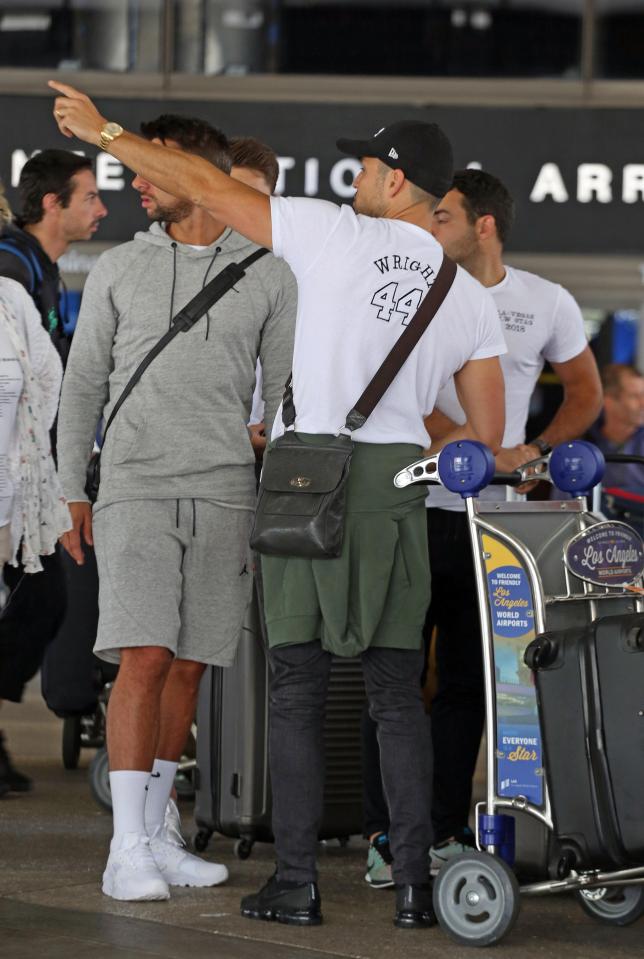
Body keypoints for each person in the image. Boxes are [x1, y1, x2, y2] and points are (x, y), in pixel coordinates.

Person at [50, 83, 506, 928]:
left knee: (296, 687)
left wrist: (106, 132)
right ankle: (412, 885)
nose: (355, 180)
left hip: (305, 475)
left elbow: (213, 188)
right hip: (398, 490)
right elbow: (485, 435)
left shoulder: (333, 235)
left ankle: (296, 881)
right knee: (396, 693)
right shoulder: (464, 293)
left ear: (398, 181)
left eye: (366, 167)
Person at [55, 111, 297, 903]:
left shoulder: (269, 272)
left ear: (196, 173)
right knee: (145, 655)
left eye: (150, 168)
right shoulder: (120, 267)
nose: (137, 183)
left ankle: (156, 831)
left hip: (228, 487)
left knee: (190, 665)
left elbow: (286, 390)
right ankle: (126, 846)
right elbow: (82, 383)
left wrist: (279, 440)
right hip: (135, 486)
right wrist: (72, 489)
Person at [360, 168, 603, 887]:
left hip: (495, 525)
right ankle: (384, 834)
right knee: (395, 675)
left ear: (483, 225)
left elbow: (586, 392)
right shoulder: (411, 286)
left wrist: (528, 453)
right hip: (408, 509)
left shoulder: (543, 300)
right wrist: (471, 444)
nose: (433, 226)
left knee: (472, 681)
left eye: (445, 215)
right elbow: (392, 389)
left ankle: (439, 827)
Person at [0, 274, 71, 796]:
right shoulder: (12, 296)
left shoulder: (12, 296)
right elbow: (47, 379)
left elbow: (49, 378)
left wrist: (26, 459)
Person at [0, 149, 107, 362]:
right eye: (90, 198)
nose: (102, 210)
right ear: (52, 203)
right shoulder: (12, 267)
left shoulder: (35, 261)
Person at [229, 135, 281, 461]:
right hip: (199, 462)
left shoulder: (297, 276)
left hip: (275, 462)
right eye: (231, 196)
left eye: (253, 199)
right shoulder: (177, 273)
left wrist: (274, 430)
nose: (241, 212)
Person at [587, 363, 644, 536]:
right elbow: (562, 506)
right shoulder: (581, 446)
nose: (643, 403)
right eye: (635, 396)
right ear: (609, 401)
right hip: (595, 546)